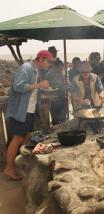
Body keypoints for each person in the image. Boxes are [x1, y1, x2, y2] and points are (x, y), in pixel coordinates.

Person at [4, 50, 53, 180]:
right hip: (20, 111)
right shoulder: (26, 67)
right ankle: (9, 169)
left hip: (29, 110)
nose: (49, 64)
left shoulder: (36, 70)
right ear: (41, 59)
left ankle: (22, 165)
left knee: (26, 137)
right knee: (17, 139)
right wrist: (39, 84)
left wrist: (41, 87)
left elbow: (30, 89)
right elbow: (17, 86)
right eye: (49, 61)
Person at [44, 59, 67, 125]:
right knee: (55, 119)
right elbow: (46, 88)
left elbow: (63, 84)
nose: (61, 70)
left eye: (62, 69)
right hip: (53, 100)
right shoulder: (49, 75)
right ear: (55, 67)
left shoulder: (61, 73)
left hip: (62, 98)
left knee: (63, 118)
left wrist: (66, 85)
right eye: (60, 69)